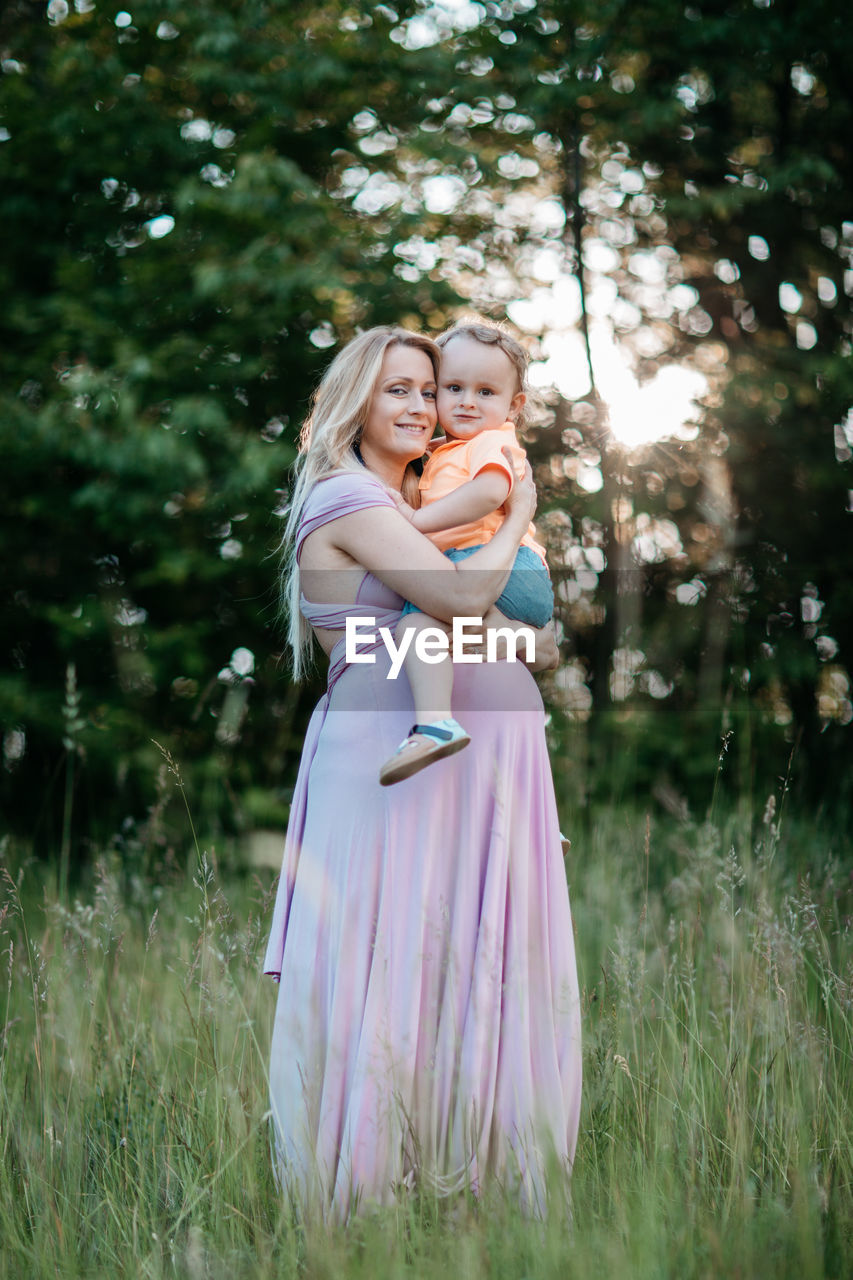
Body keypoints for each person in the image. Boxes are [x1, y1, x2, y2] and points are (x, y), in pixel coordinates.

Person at [264, 326, 581, 1220]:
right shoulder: (350, 497)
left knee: (473, 961)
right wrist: (518, 518)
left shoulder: (437, 494)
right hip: (390, 750)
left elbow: (543, 642)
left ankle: (480, 1192)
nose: (418, 405)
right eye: (396, 389)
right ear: (353, 402)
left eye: (426, 389)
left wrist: (500, 595)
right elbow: (461, 600)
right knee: (391, 952)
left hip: (488, 753)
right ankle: (365, 1200)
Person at [378, 322, 554, 786]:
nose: (467, 401)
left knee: (418, 620)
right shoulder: (446, 449)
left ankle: (434, 723)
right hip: (502, 566)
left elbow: (489, 492)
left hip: (508, 566)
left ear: (513, 406)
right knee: (484, 676)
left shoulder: (493, 442)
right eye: (453, 388)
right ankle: (525, 792)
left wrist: (415, 522)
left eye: (486, 391)